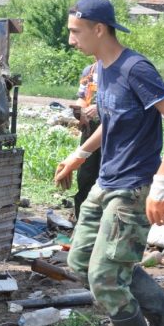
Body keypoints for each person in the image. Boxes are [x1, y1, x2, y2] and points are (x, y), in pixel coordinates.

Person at [53, 0, 164, 326]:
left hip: (133, 188)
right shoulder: (102, 68)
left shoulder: (136, 69)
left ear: (100, 29)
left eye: (75, 32)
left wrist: (162, 185)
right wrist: (79, 155)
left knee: (105, 277)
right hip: (106, 183)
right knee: (82, 262)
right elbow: (110, 121)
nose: (70, 40)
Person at [72, 61, 100, 219]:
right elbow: (82, 97)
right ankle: (81, 224)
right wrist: (80, 111)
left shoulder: (119, 70)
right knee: (85, 176)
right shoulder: (89, 71)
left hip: (112, 134)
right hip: (90, 131)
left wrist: (99, 108)